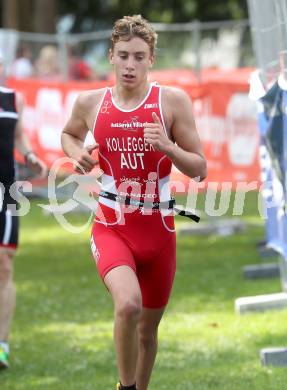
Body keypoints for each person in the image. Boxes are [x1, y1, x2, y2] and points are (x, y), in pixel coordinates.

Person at [61, 15, 206, 390]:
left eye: (139, 56)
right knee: (127, 305)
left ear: (151, 59)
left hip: (158, 232)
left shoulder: (171, 102)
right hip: (112, 226)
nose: (130, 64)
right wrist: (78, 155)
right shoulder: (91, 102)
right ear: (110, 55)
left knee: (147, 333)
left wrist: (169, 148)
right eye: (123, 55)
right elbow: (68, 134)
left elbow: (200, 168)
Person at [0, 52, 47, 369]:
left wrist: (29, 154)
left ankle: (1, 345)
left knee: (4, 264)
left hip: (5, 192)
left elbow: (18, 136)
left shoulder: (13, 99)